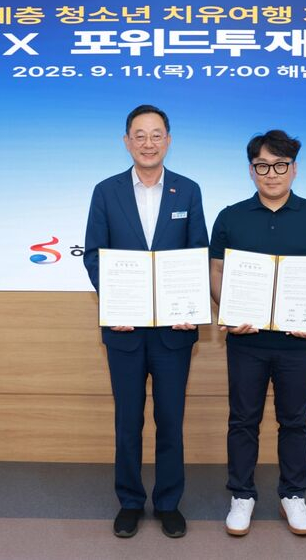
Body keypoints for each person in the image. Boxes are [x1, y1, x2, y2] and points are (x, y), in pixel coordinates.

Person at [209, 130, 306, 537]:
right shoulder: (230, 216)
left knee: (295, 421)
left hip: (296, 343)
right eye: (263, 166)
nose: (272, 174)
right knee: (242, 420)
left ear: (294, 169)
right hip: (245, 341)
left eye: (280, 165)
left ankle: (293, 494)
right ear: (251, 171)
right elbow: (216, 270)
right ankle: (242, 495)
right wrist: (229, 311)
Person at [84, 105, 208, 538]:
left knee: (171, 420)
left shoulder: (188, 190)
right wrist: (117, 306)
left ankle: (169, 502)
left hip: (174, 332)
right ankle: (131, 502)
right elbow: (95, 255)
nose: (148, 143)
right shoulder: (106, 191)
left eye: (156, 135)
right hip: (125, 331)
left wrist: (190, 308)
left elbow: (197, 253)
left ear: (168, 140)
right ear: (126, 142)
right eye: (140, 135)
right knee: (128, 421)